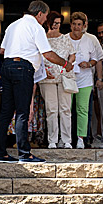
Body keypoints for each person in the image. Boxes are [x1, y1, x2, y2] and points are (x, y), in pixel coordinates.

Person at [0, 0, 72, 163]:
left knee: (6, 112)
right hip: (23, 69)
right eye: (45, 17)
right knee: (22, 112)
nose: (45, 21)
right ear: (40, 13)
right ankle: (24, 153)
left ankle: (0, 153)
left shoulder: (12, 25)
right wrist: (65, 63)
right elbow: (48, 54)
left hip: (7, 66)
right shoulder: (36, 27)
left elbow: (2, 50)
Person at [68, 12, 103, 149]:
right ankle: (66, 139)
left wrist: (88, 64)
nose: (77, 27)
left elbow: (96, 59)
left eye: (79, 24)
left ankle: (81, 139)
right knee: (67, 110)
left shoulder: (90, 39)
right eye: (74, 24)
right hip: (69, 79)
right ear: (70, 25)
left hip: (85, 80)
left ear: (84, 26)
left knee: (82, 109)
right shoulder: (65, 39)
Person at [39, 11, 75, 149]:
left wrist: (69, 64)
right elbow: (38, 56)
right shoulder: (42, 38)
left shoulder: (65, 38)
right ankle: (52, 140)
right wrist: (44, 70)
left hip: (64, 76)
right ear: (48, 23)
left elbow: (72, 55)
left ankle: (66, 140)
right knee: (51, 109)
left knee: (65, 109)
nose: (56, 26)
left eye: (59, 23)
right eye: (54, 23)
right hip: (47, 77)